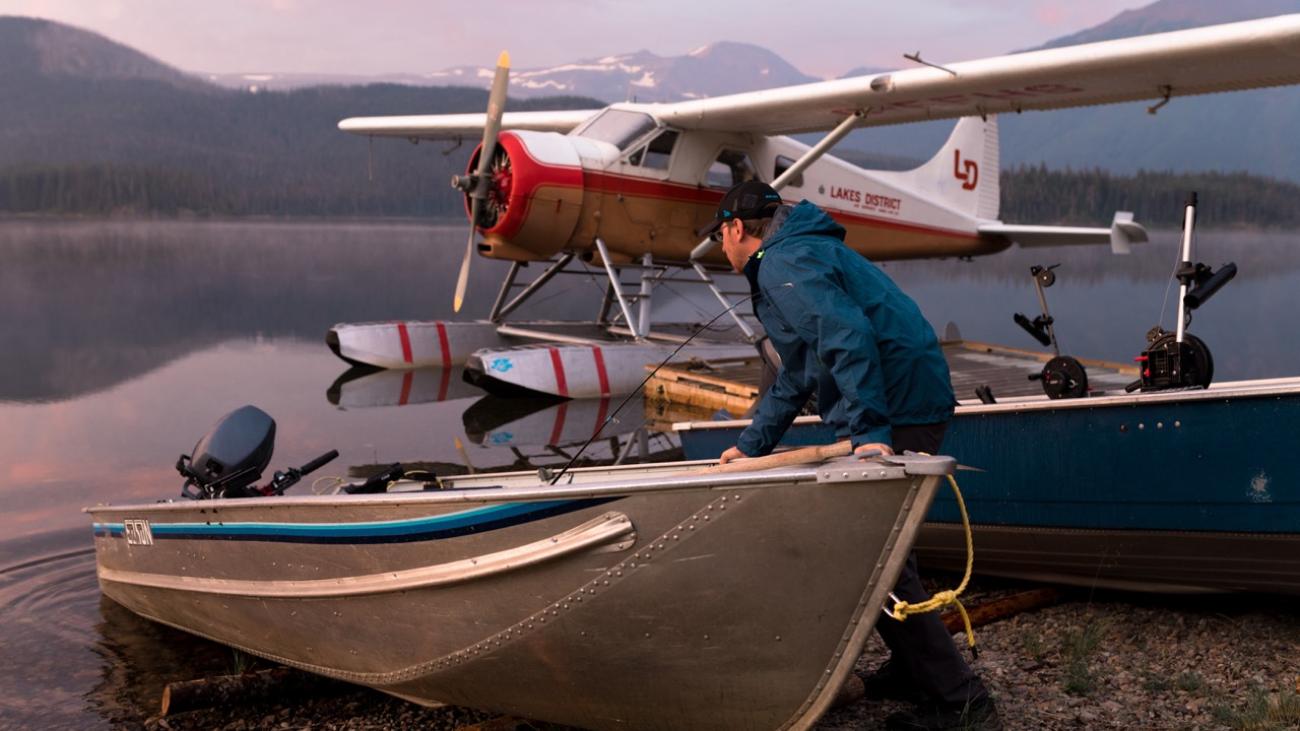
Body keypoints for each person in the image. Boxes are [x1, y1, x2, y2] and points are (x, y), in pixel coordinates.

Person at [700, 180, 1001, 731]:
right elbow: (799, 370)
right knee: (889, 555)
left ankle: (962, 703)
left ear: (737, 229)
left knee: (874, 558)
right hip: (909, 395)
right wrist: (749, 445)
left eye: (720, 236)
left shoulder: (782, 262)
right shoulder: (799, 253)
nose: (722, 248)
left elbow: (849, 336)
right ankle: (917, 670)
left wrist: (870, 432)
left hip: (901, 405)